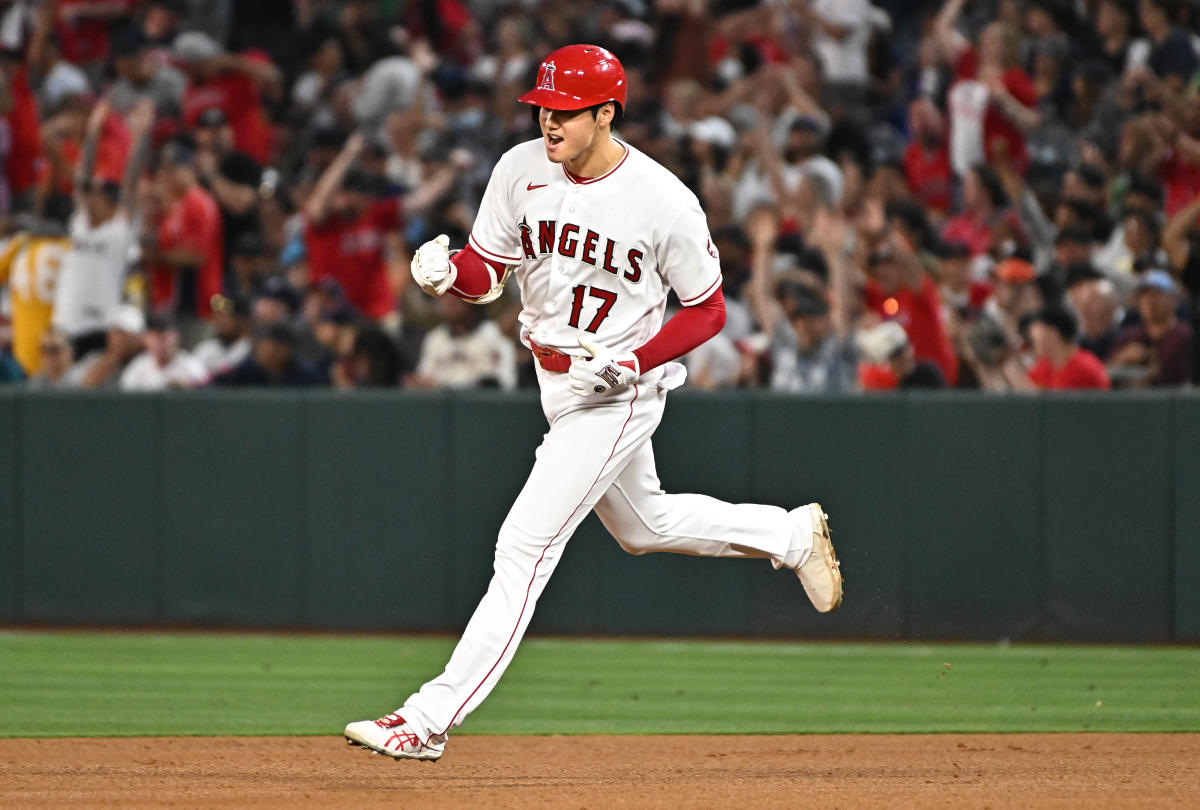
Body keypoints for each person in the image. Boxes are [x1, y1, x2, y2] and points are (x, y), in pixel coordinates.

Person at [343, 45, 843, 762]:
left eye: (566, 111)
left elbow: (708, 312)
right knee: (646, 523)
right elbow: (491, 273)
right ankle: (789, 535)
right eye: (543, 107)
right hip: (553, 376)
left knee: (522, 546)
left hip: (619, 390)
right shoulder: (519, 170)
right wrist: (449, 273)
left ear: (606, 113)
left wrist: (633, 362)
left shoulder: (664, 200)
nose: (549, 121)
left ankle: (425, 721)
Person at [118, 313, 207, 390]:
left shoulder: (192, 367)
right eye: (156, 337)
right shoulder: (136, 368)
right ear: (145, 339)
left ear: (176, 337)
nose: (160, 343)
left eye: (165, 337)